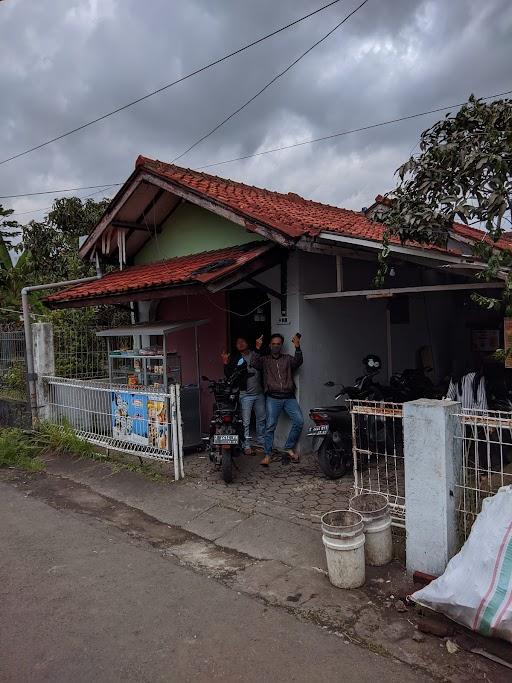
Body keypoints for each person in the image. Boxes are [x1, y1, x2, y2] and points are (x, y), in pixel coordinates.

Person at [252, 333, 304, 467]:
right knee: (270, 426)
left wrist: (297, 347)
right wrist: (257, 348)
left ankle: (288, 447)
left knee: (299, 421)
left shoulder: (287, 359)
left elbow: (298, 362)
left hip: (289, 397)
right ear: (270, 345)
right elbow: (254, 363)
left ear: (281, 345)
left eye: (278, 344)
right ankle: (268, 454)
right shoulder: (265, 360)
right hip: (272, 398)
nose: (275, 346)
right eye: (273, 344)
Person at [221, 336, 265, 456]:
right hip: (245, 395)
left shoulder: (255, 354)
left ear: (248, 343)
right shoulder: (236, 359)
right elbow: (230, 375)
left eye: (242, 341)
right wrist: (225, 363)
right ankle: (246, 445)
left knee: (261, 419)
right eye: (237, 342)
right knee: (245, 422)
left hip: (259, 393)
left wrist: (258, 348)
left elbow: (261, 364)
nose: (240, 343)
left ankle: (261, 442)